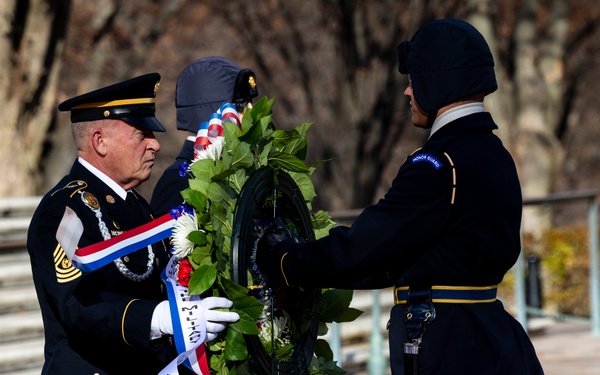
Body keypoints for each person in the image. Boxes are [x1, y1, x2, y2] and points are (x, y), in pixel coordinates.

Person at [256, 19, 544, 374]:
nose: (407, 93)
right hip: (492, 339)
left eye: (413, 81)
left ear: (436, 83)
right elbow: (396, 260)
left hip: (449, 348)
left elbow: (363, 249)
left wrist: (282, 259)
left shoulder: (438, 164)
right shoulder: (493, 153)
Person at [27, 73, 238, 375]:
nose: (154, 144)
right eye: (141, 135)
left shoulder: (135, 203)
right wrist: (161, 318)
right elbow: (78, 305)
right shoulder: (64, 209)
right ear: (100, 142)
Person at [150, 56, 258, 216]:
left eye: (250, 102)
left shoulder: (245, 170)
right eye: (241, 105)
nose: (251, 110)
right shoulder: (179, 181)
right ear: (210, 111)